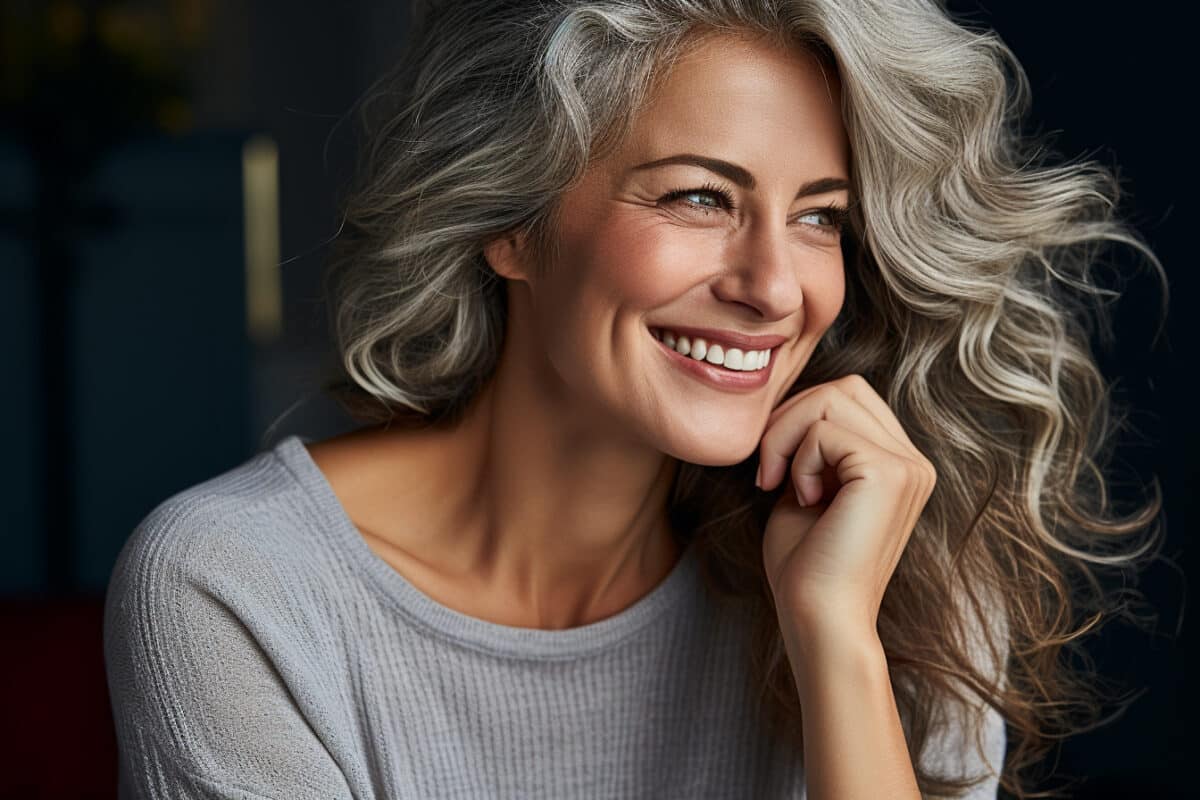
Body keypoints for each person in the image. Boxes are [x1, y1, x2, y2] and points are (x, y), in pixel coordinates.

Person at [104, 1, 1168, 798]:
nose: (772, 286)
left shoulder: (901, 563)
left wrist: (835, 636)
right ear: (510, 218)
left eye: (819, 217)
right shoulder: (238, 589)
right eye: (701, 196)